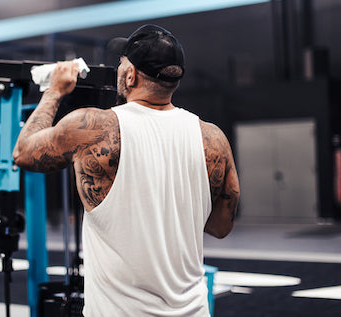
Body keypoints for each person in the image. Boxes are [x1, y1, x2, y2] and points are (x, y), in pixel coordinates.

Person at [13, 24, 240, 317]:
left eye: (122, 63)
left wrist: (54, 91)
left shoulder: (94, 128)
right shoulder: (212, 139)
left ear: (131, 75)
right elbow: (221, 227)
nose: (119, 68)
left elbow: (23, 152)